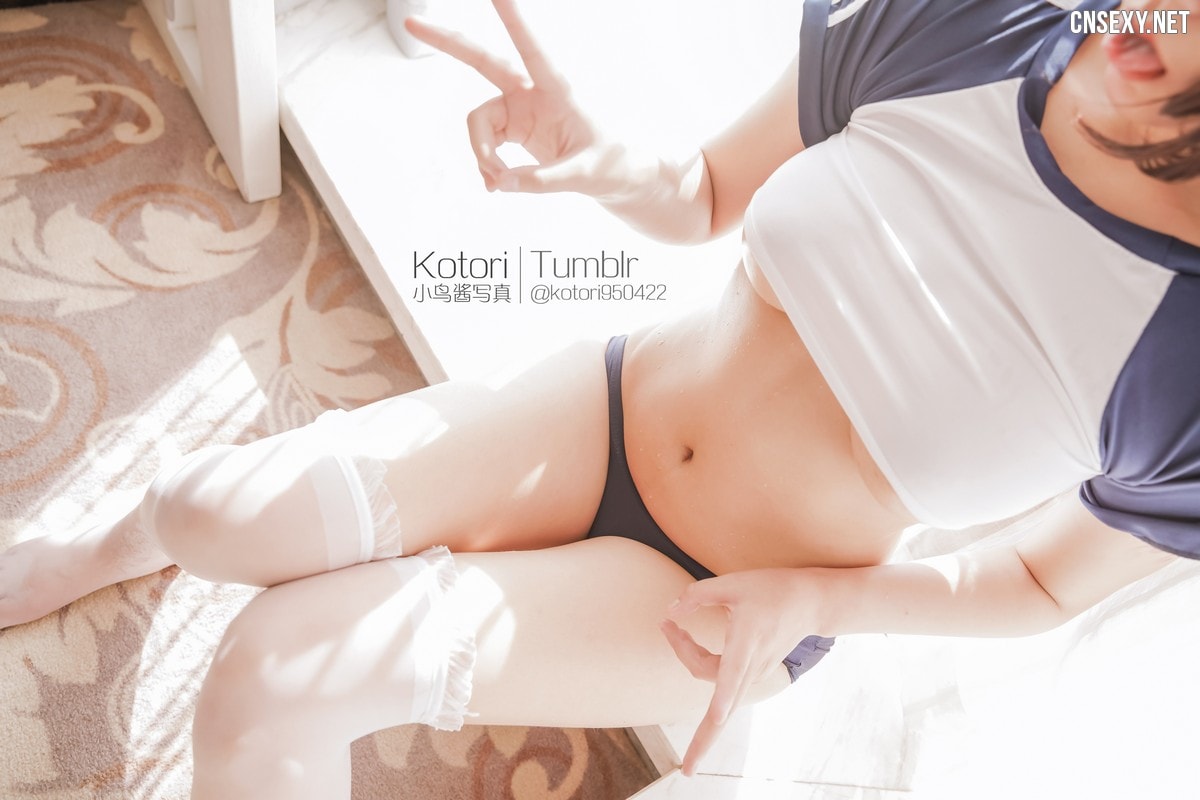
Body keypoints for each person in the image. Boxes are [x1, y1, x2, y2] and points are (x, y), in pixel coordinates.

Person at [2, 0, 1198, 796]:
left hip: (714, 597)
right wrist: (593, 153)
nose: (1160, 26)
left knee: (277, 667)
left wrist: (809, 598)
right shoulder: (978, 22)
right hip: (603, 407)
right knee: (208, 511)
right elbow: (705, 189)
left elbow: (1040, 582)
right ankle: (117, 536)